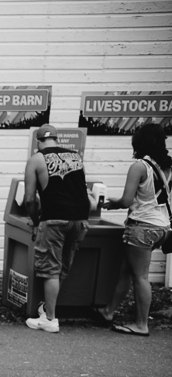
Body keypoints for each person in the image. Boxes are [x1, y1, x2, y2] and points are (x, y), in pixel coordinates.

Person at [93, 123, 171, 337]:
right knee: (126, 272)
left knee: (140, 277)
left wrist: (111, 203)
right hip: (162, 226)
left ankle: (141, 324)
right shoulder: (168, 165)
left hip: (142, 227)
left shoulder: (139, 166)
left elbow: (127, 200)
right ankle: (108, 311)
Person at [22, 124, 91, 333]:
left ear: (38, 141)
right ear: (57, 140)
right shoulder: (76, 158)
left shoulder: (36, 159)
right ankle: (46, 309)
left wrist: (35, 221)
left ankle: (50, 319)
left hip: (54, 219)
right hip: (80, 220)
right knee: (61, 268)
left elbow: (29, 199)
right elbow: (82, 190)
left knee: (50, 268)